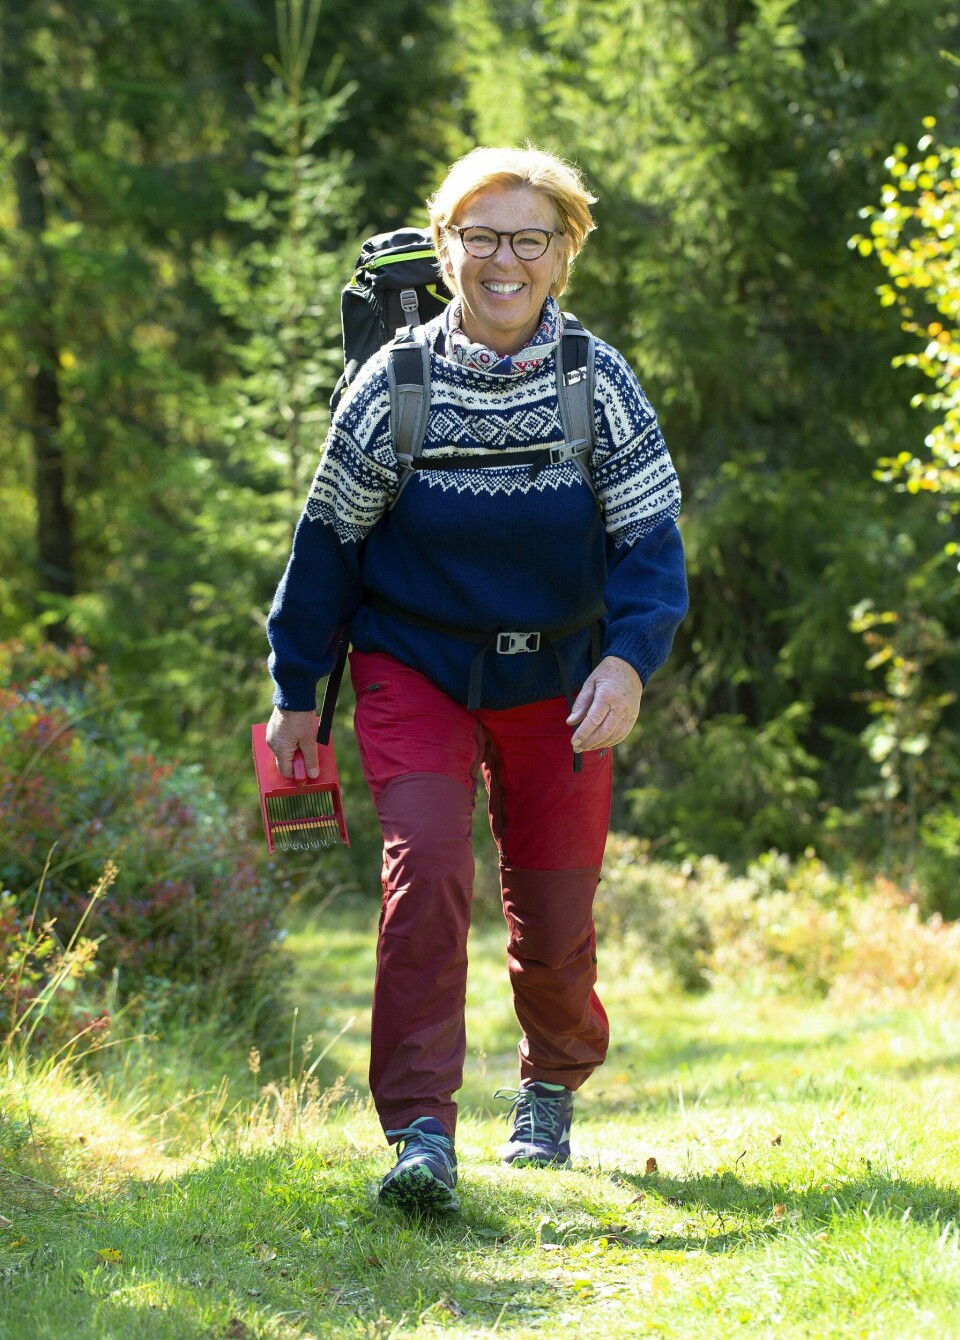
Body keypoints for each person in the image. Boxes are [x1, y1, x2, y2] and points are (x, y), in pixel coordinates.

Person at [265, 145, 688, 1213]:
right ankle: (420, 1131)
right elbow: (327, 548)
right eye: (482, 236)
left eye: (530, 237)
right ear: (446, 246)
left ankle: (551, 1081)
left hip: (561, 675)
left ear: (564, 254)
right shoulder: (392, 385)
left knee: (553, 912)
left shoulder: (599, 380)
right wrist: (293, 692)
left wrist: (631, 662)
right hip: (415, 667)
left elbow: (650, 543)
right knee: (428, 872)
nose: (506, 259)